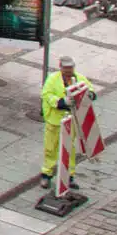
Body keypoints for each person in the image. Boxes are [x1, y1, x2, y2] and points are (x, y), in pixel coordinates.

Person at [40, 55, 94, 186]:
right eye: (66, 68)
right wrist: (61, 102)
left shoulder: (79, 78)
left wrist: (90, 95)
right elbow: (46, 94)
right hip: (54, 119)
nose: (68, 70)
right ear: (61, 67)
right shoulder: (53, 79)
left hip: (71, 119)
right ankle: (47, 174)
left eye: (70, 68)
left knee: (69, 148)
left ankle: (69, 175)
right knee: (50, 148)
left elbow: (89, 89)